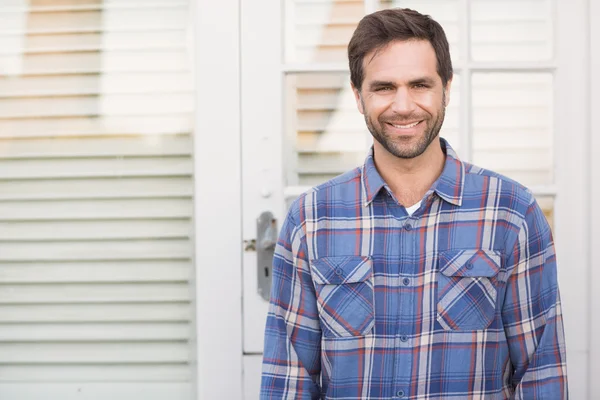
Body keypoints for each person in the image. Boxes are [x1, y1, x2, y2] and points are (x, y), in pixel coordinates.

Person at [260, 7, 568, 399]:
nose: (403, 106)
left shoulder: (512, 213)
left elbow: (541, 375)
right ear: (358, 96)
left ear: (446, 89)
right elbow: (289, 379)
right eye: (384, 87)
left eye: (420, 84)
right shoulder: (310, 219)